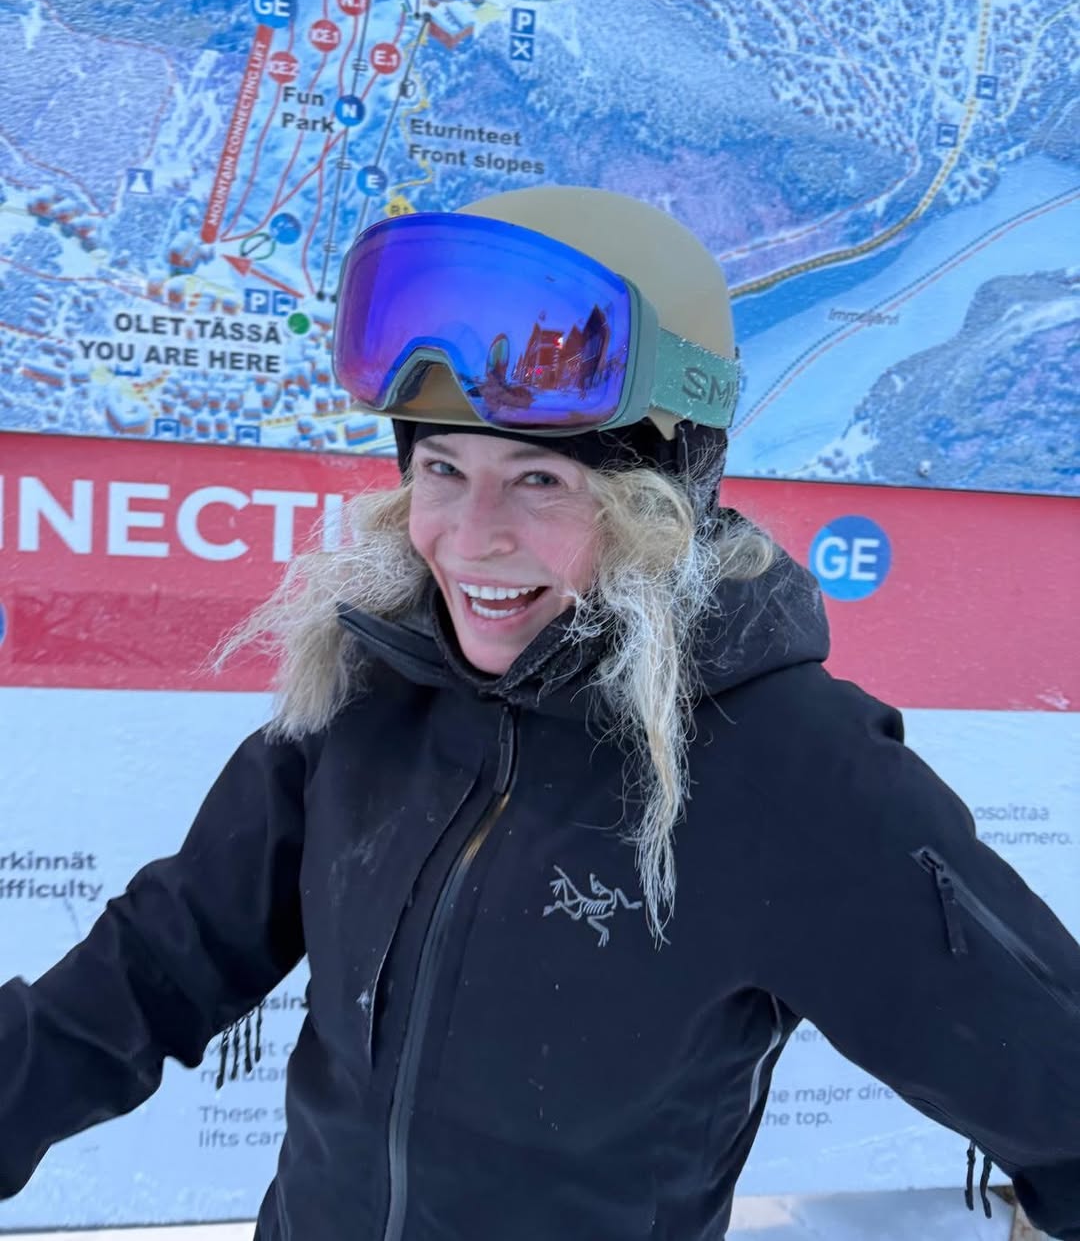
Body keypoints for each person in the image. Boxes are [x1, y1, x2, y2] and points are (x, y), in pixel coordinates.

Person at [1, 185, 1078, 1241]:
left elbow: (1048, 1078)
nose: (472, 538)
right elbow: (160, 962)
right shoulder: (375, 698)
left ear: (660, 505)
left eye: (541, 482)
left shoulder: (785, 767)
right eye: (442, 468)